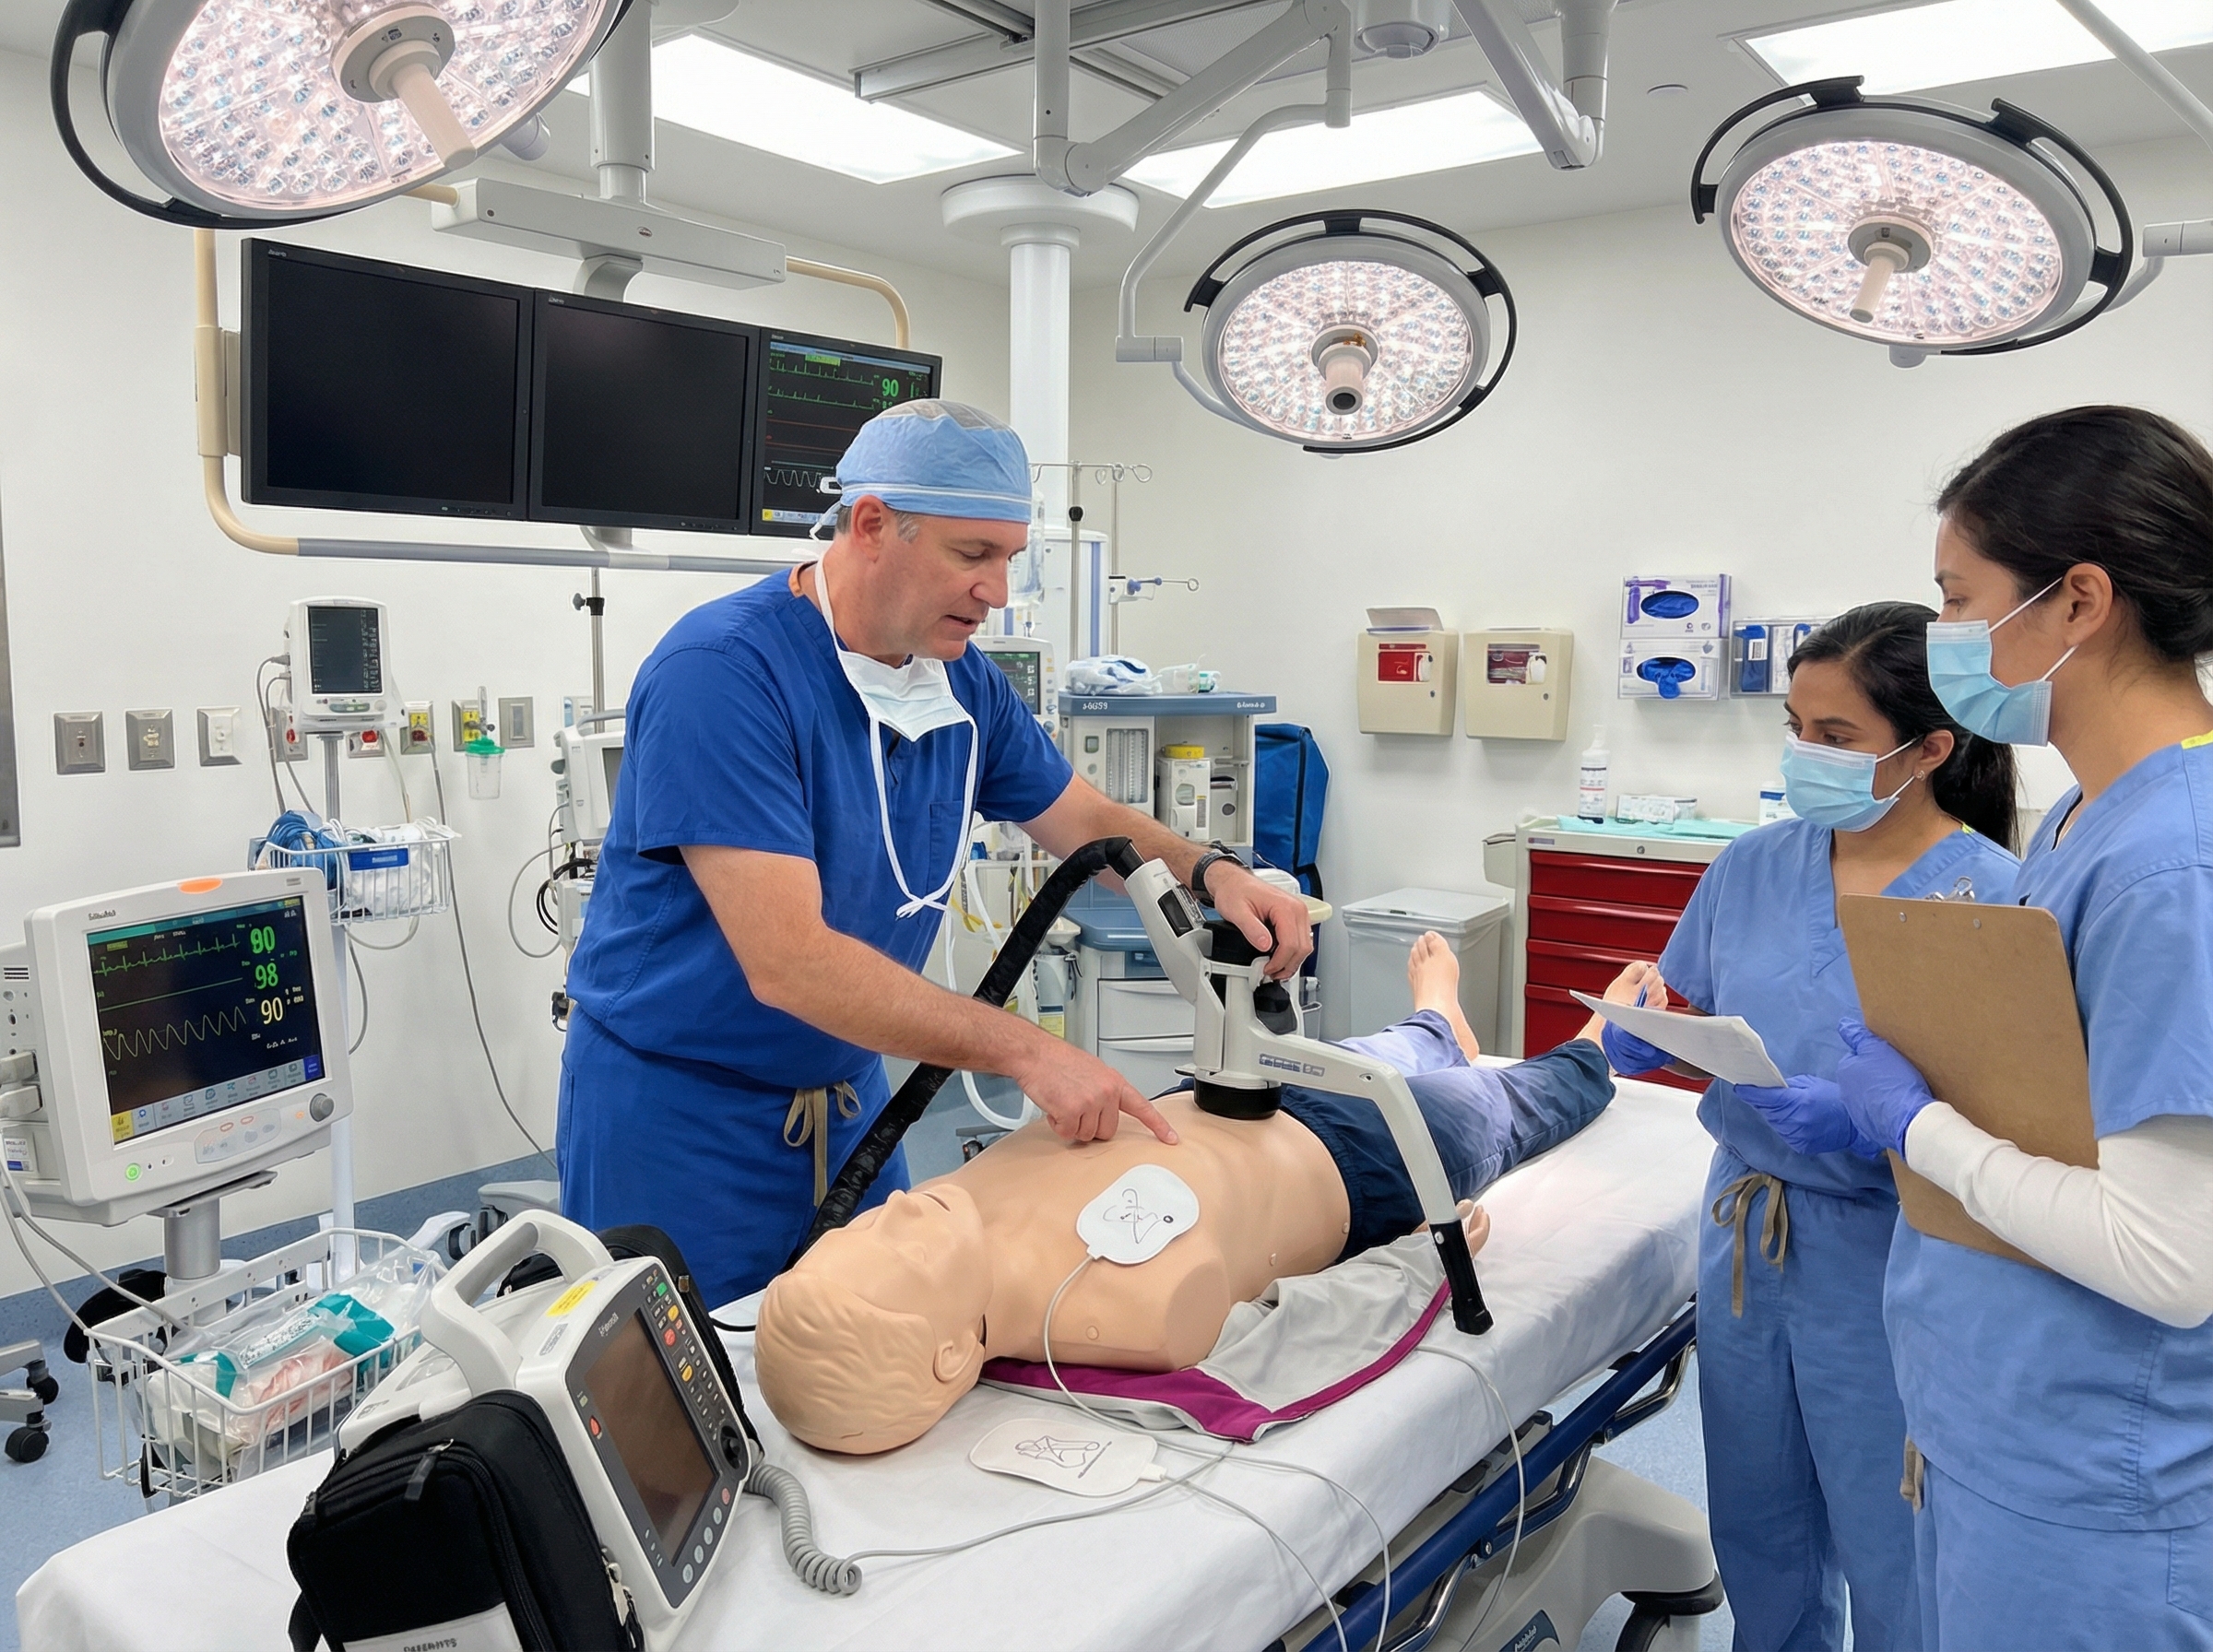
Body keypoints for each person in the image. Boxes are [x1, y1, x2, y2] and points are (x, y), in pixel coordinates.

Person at [557, 401, 1314, 1308]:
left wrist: (1211, 869)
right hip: (682, 1117)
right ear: (873, 524)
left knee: (879, 1352)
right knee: (684, 1406)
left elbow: (1084, 820)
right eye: (973, 555)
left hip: (846, 1098)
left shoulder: (956, 678)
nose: (999, 591)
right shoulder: (721, 673)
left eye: (1009, 558)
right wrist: (1026, 1049)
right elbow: (790, 963)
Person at [1734, 407, 2213, 1652]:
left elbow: (2169, 1260)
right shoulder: (2079, 824)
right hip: (1997, 1418)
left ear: (2078, 602)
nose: (1944, 631)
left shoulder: (2175, 861)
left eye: (1959, 597)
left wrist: (1915, 1124)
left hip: (2094, 1471)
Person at [755, 939, 1650, 1453]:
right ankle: (1594, 1039)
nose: (897, 1214)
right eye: (892, 1260)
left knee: (1373, 1051)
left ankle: (1435, 1027)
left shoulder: (943, 1210)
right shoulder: (1136, 1309)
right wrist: (1427, 1254)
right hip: (1367, 1163)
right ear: (954, 1357)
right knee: (1509, 1104)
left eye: (851, 1235)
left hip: (1240, 1090)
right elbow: (1309, 1328)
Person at [1603, 603, 2019, 1652]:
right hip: (1743, 1233)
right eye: (1795, 726)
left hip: (1891, 1261)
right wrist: (1644, 1026)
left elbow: (2026, 1127)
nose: (1805, 755)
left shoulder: (1993, 899)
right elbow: (1688, 1000)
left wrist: (1879, 1124)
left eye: (1835, 738)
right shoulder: (1755, 864)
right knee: (1758, 1519)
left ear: (1930, 749)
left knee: (1891, 1536)